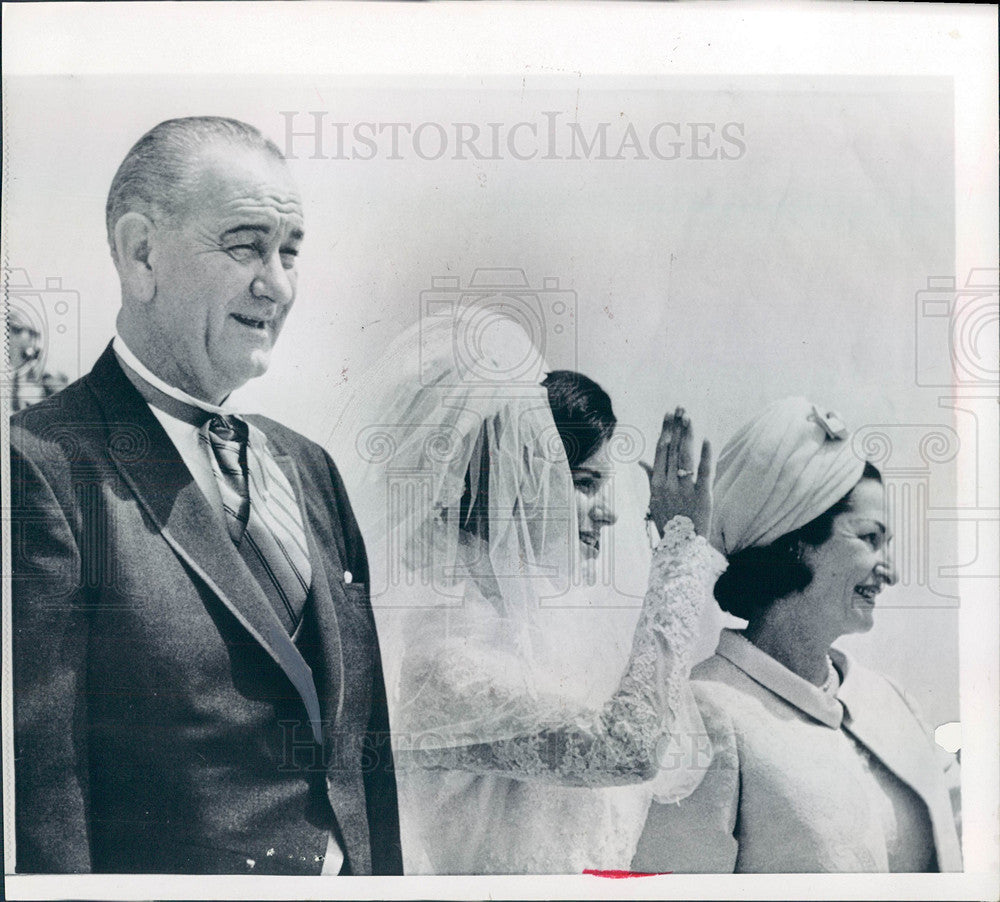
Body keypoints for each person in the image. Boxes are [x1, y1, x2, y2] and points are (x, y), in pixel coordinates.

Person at [10, 117, 401, 875]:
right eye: (245, 244)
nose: (278, 285)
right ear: (141, 254)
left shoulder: (310, 468)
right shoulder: (41, 468)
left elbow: (361, 760)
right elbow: (43, 797)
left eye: (289, 252)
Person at [328, 313, 724, 873]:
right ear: (513, 480)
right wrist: (681, 554)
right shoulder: (438, 660)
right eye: (585, 484)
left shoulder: (555, 640)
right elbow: (628, 748)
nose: (611, 513)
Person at [632, 397, 963, 873]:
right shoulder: (706, 712)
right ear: (795, 542)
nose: (890, 573)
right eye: (869, 538)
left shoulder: (890, 699)